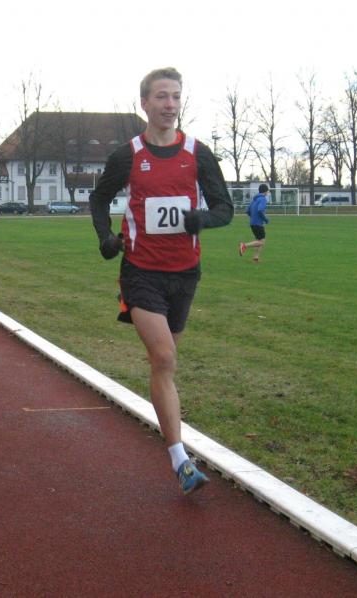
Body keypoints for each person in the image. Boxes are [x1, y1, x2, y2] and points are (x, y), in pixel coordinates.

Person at [89, 67, 233, 495]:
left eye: (175, 97)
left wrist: (201, 219)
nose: (170, 105)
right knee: (166, 358)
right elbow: (99, 199)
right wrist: (105, 238)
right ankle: (180, 461)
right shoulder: (128, 155)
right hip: (141, 271)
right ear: (145, 104)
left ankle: (175, 449)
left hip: (185, 273)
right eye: (161, 97)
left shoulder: (198, 153)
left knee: (162, 364)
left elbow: (224, 209)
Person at [240, 184, 270, 262]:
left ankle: (256, 258)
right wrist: (265, 219)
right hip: (258, 224)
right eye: (267, 191)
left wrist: (253, 217)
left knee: (259, 240)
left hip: (253, 223)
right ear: (265, 191)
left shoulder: (255, 199)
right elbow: (260, 210)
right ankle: (244, 245)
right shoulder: (263, 199)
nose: (268, 192)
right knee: (261, 242)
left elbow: (247, 211)